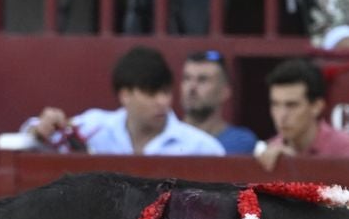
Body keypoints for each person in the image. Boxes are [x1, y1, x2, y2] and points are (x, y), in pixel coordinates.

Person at [19, 45, 224, 156]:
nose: (162, 101)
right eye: (151, 93)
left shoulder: (203, 147)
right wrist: (39, 129)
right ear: (125, 95)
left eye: (166, 92)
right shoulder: (94, 126)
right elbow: (37, 140)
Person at [256, 56, 349, 171]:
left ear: (316, 107)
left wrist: (295, 165)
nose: (281, 116)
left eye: (292, 105)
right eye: (275, 104)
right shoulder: (270, 149)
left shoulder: (344, 147)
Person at [178, 49, 259, 155]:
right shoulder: (163, 138)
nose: (192, 87)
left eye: (202, 80)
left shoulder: (241, 143)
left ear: (225, 91)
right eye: (187, 78)